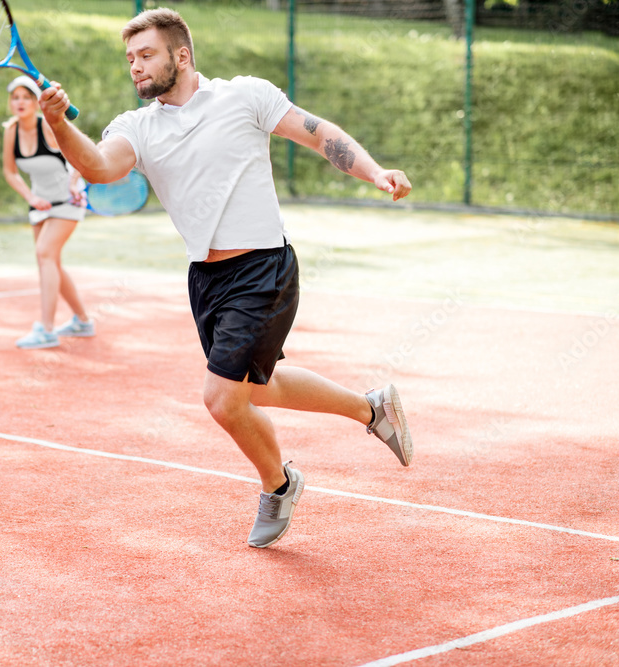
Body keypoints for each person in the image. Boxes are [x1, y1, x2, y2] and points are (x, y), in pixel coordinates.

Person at [39, 8, 414, 548]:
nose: (136, 68)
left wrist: (374, 170)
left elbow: (317, 133)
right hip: (206, 279)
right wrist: (58, 122)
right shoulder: (137, 127)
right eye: (130, 60)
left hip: (264, 266)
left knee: (221, 399)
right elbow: (98, 166)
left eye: (146, 55)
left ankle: (279, 484)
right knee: (256, 387)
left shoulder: (244, 96)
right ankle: (370, 408)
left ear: (181, 55)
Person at [2, 75, 95, 349]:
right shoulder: (11, 131)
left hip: (69, 200)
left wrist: (76, 180)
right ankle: (82, 321)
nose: (20, 102)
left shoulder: (49, 127)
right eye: (15, 97)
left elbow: (78, 156)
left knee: (45, 254)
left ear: (36, 102)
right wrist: (31, 197)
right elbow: (10, 172)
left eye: (26, 97)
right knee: (49, 260)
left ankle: (46, 329)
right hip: (40, 205)